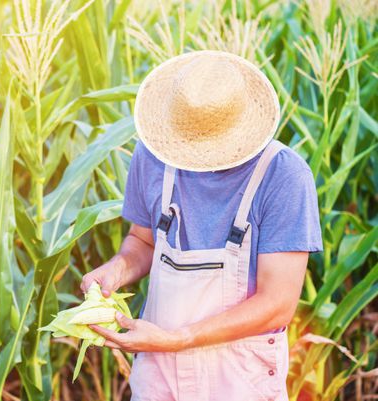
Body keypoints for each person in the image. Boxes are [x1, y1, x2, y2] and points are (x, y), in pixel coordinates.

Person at [81, 50, 323, 401]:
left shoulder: (283, 176)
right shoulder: (152, 156)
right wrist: (115, 271)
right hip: (158, 374)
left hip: (240, 378)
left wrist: (177, 340)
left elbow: (278, 302)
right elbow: (142, 242)